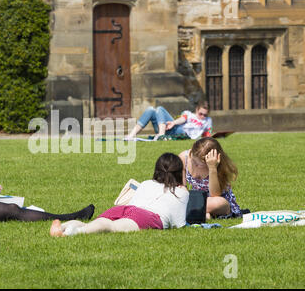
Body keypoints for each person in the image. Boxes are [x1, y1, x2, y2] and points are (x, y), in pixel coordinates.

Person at [50, 153, 189, 237]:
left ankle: (62, 227)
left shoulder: (147, 183)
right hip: (147, 216)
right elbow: (179, 224)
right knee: (111, 227)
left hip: (124, 208)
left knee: (94, 223)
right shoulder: (182, 193)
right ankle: (71, 233)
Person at [179, 137, 241, 219]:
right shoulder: (184, 158)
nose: (196, 165)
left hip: (215, 201)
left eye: (200, 165)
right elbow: (181, 186)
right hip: (194, 199)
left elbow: (215, 194)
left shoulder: (217, 166)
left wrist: (212, 168)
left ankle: (188, 212)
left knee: (219, 202)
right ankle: (202, 214)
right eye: (194, 161)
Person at [125, 101, 212, 140]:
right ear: (197, 109)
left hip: (184, 134)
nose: (202, 116)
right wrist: (173, 122)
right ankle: (131, 135)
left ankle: (161, 135)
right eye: (201, 114)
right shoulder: (189, 114)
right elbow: (183, 118)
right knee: (151, 109)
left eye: (205, 115)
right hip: (175, 128)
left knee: (159, 108)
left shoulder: (208, 120)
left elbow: (208, 134)